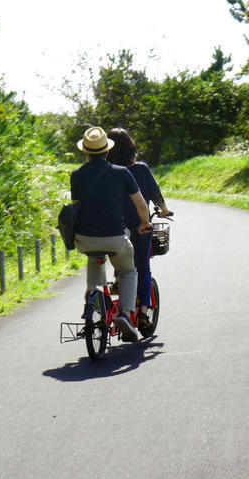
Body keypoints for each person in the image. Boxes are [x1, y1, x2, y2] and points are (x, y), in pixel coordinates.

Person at [71, 126, 151, 342]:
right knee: (128, 271)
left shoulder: (76, 175)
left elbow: (76, 207)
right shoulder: (122, 172)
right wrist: (144, 223)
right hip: (116, 238)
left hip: (85, 240)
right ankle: (125, 313)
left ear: (86, 152)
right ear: (107, 151)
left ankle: (92, 298)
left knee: (94, 258)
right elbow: (142, 205)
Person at [106, 127, 171, 336]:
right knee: (143, 268)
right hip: (140, 228)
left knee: (121, 263)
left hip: (114, 229)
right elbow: (154, 193)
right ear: (131, 147)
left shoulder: (107, 171)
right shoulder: (141, 169)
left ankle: (118, 286)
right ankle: (143, 312)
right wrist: (164, 210)